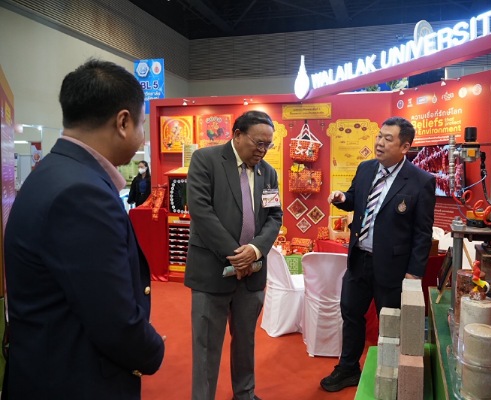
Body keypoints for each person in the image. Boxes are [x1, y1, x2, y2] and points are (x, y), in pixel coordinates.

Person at [3, 59, 165, 400]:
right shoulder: (82, 193)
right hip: (76, 379)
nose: (142, 136)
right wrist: (152, 349)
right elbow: (112, 316)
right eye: (142, 124)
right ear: (123, 122)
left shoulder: (55, 171)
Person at [320, 116, 436, 392]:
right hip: (359, 259)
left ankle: (391, 373)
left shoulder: (421, 181)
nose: (379, 143)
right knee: (350, 313)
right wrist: (342, 198)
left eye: (388, 139)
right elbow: (354, 198)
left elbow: (422, 232)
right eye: (379, 136)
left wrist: (414, 273)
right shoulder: (366, 168)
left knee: (391, 322)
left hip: (393, 267)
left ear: (405, 146)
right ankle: (348, 368)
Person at [185, 110, 282, 400]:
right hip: (211, 271)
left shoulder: (268, 172)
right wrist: (236, 255)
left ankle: (245, 394)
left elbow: (274, 216)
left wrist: (254, 250)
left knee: (245, 341)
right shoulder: (206, 160)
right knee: (206, 345)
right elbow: (201, 211)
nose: (262, 150)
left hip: (252, 275)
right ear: (237, 134)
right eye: (258, 143)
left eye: (268, 145)